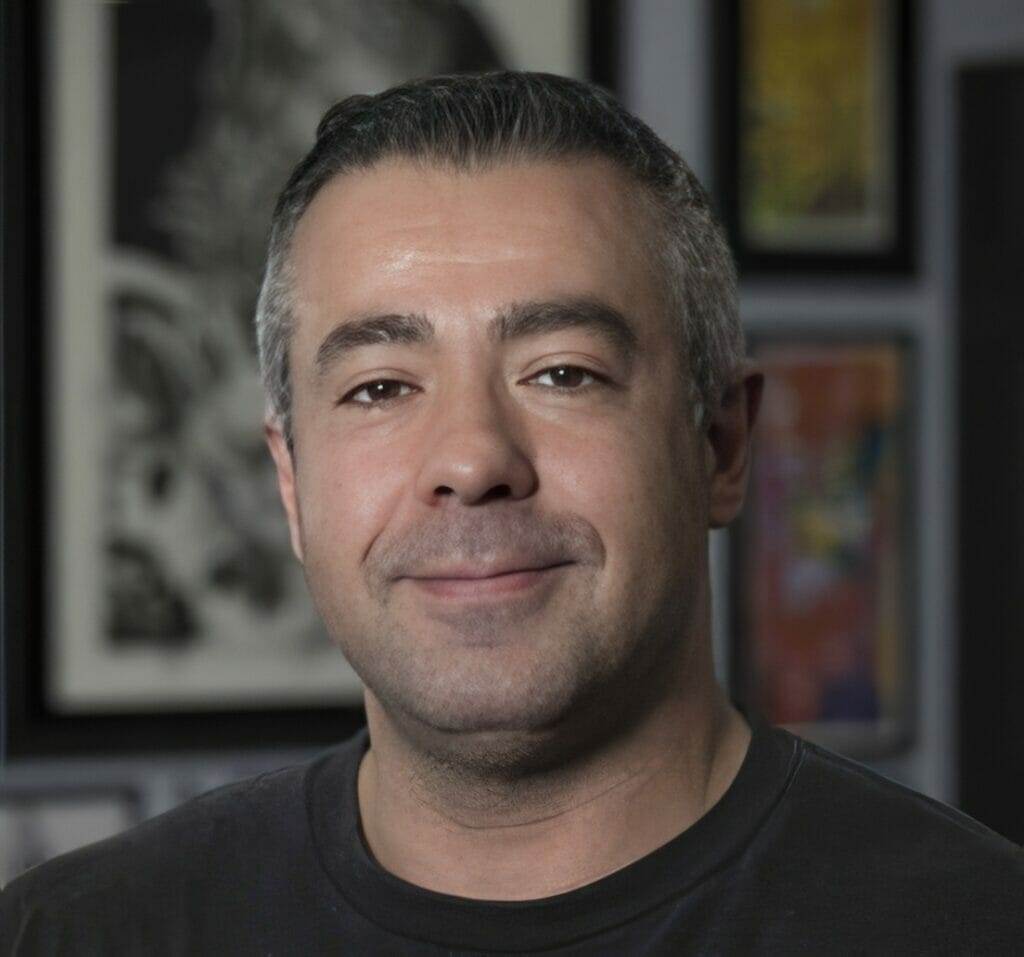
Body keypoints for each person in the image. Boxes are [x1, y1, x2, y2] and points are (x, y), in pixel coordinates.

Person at [2, 71, 1021, 955]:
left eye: (562, 372)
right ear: (291, 482)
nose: (471, 460)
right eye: (380, 387)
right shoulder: (74, 937)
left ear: (719, 446)